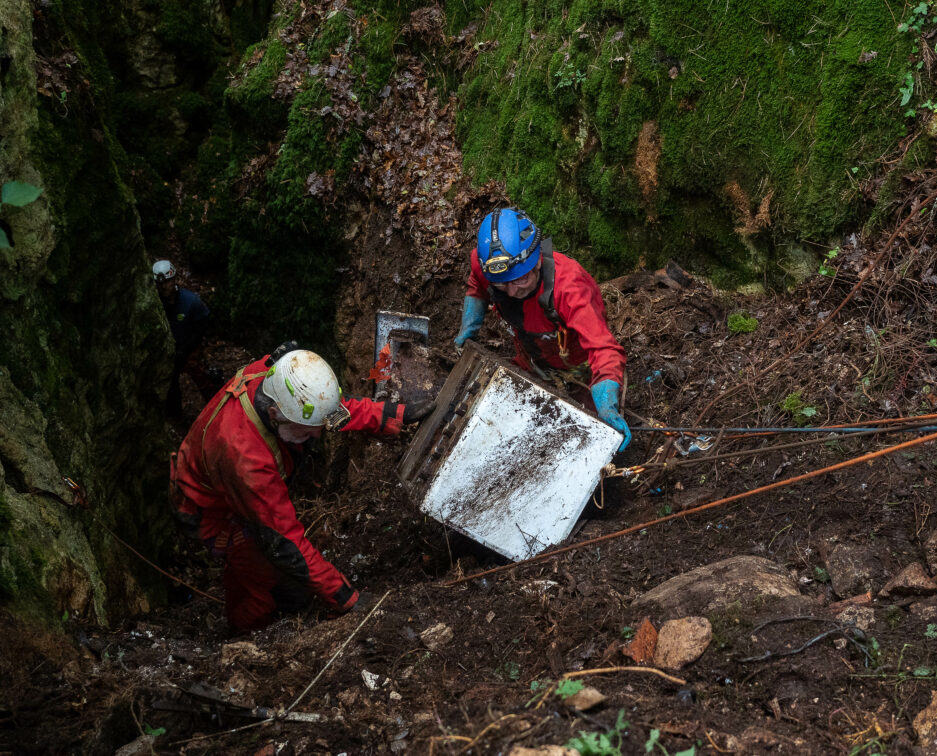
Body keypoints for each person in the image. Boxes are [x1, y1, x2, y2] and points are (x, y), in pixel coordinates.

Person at [170, 344, 433, 632]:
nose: (318, 434)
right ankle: (241, 639)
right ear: (274, 414)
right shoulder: (247, 460)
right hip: (210, 511)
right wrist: (346, 597)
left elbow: (327, 412)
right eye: (307, 430)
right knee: (271, 589)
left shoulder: (273, 377)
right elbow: (284, 543)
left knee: (280, 576)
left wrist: (390, 415)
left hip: (221, 476)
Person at [453, 207, 631, 451]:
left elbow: (605, 350)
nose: (513, 292)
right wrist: (468, 329)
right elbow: (477, 285)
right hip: (531, 365)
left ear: (536, 259)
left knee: (579, 443)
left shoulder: (570, 288)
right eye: (502, 284)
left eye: (521, 280)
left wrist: (607, 407)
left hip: (581, 373)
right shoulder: (491, 267)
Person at [153, 259, 212, 417]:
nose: (164, 286)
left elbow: (203, 324)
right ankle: (176, 414)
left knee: (202, 377)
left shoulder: (190, 301)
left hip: (190, 347)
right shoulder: (155, 305)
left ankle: (217, 406)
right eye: (161, 283)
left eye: (167, 282)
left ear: (174, 280)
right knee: (171, 382)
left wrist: (188, 348)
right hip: (170, 351)